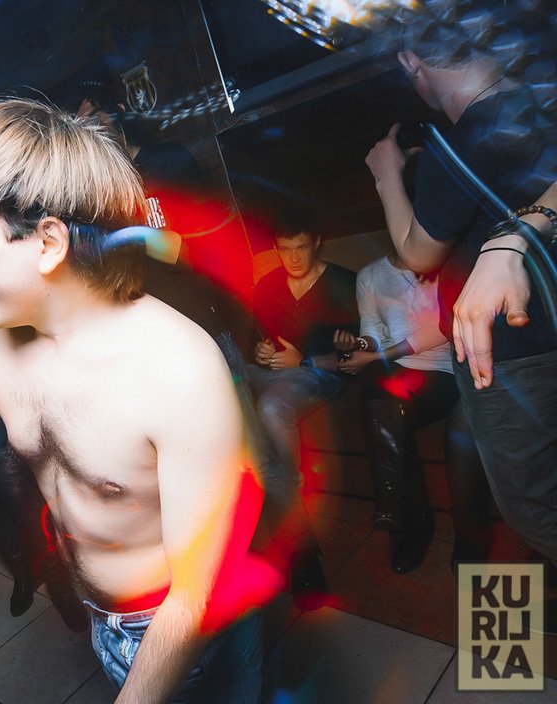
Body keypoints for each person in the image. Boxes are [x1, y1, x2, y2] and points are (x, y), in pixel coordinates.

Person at [0, 97, 268, 704]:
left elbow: (194, 595)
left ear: (48, 241)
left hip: (190, 636)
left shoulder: (178, 369)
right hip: (104, 622)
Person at [364, 7, 557, 576]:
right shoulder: (536, 103)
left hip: (509, 352)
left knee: (531, 508)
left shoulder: (458, 144)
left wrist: (387, 175)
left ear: (411, 61)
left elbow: (416, 254)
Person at [336, 252, 488, 572]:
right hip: (400, 371)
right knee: (382, 405)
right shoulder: (370, 275)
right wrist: (361, 345)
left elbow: (442, 328)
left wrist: (376, 358)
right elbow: (373, 330)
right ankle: (408, 519)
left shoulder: (447, 262)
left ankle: (452, 532)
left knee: (387, 401)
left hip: (447, 370)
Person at [247, 214, 358, 605]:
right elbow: (260, 339)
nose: (293, 258)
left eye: (301, 247)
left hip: (317, 374)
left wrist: (306, 360)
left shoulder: (343, 282)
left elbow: (359, 353)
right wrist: (260, 351)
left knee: (273, 406)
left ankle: (288, 488)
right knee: (228, 382)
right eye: (284, 249)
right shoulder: (268, 284)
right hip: (271, 372)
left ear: (317, 242)